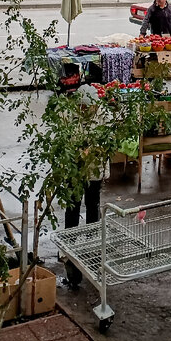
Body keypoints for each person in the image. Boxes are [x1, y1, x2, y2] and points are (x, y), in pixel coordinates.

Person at [62, 84, 109, 288]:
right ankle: (68, 244)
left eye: (86, 107)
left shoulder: (103, 115)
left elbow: (107, 142)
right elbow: (64, 141)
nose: (83, 110)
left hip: (94, 169)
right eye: (81, 106)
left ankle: (92, 243)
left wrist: (94, 150)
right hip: (73, 169)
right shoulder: (69, 115)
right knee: (72, 205)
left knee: (92, 204)